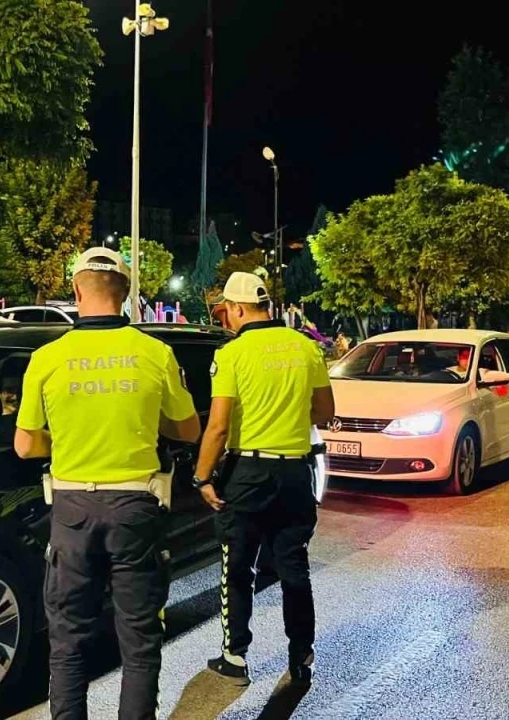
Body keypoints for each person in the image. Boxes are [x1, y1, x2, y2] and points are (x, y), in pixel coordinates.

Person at [14, 247, 201, 720]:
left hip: (71, 509)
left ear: (77, 292)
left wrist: (68, 439)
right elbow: (188, 430)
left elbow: (25, 445)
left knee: (68, 642)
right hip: (136, 507)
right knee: (139, 641)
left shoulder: (47, 358)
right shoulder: (155, 353)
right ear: (127, 294)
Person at [193, 272, 336, 687]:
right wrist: (287, 417)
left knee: (238, 567)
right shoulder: (306, 347)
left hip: (248, 474)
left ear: (237, 308)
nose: (226, 318)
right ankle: (301, 655)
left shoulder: (233, 353)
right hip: (294, 472)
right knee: (294, 566)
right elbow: (324, 412)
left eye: (226, 311)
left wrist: (202, 477)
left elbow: (218, 426)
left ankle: (235, 657)